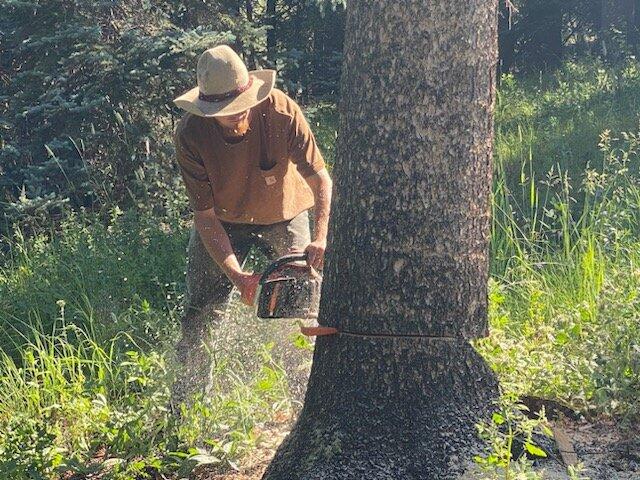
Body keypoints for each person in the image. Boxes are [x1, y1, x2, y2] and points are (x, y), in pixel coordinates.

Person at [170, 45, 332, 408]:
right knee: (200, 312)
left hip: (285, 213)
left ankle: (305, 407)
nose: (233, 115)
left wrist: (320, 238)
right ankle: (184, 410)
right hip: (223, 221)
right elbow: (205, 217)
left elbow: (320, 178)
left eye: (238, 107)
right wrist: (238, 276)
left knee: (298, 305)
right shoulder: (190, 135)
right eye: (223, 111)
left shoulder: (281, 110)